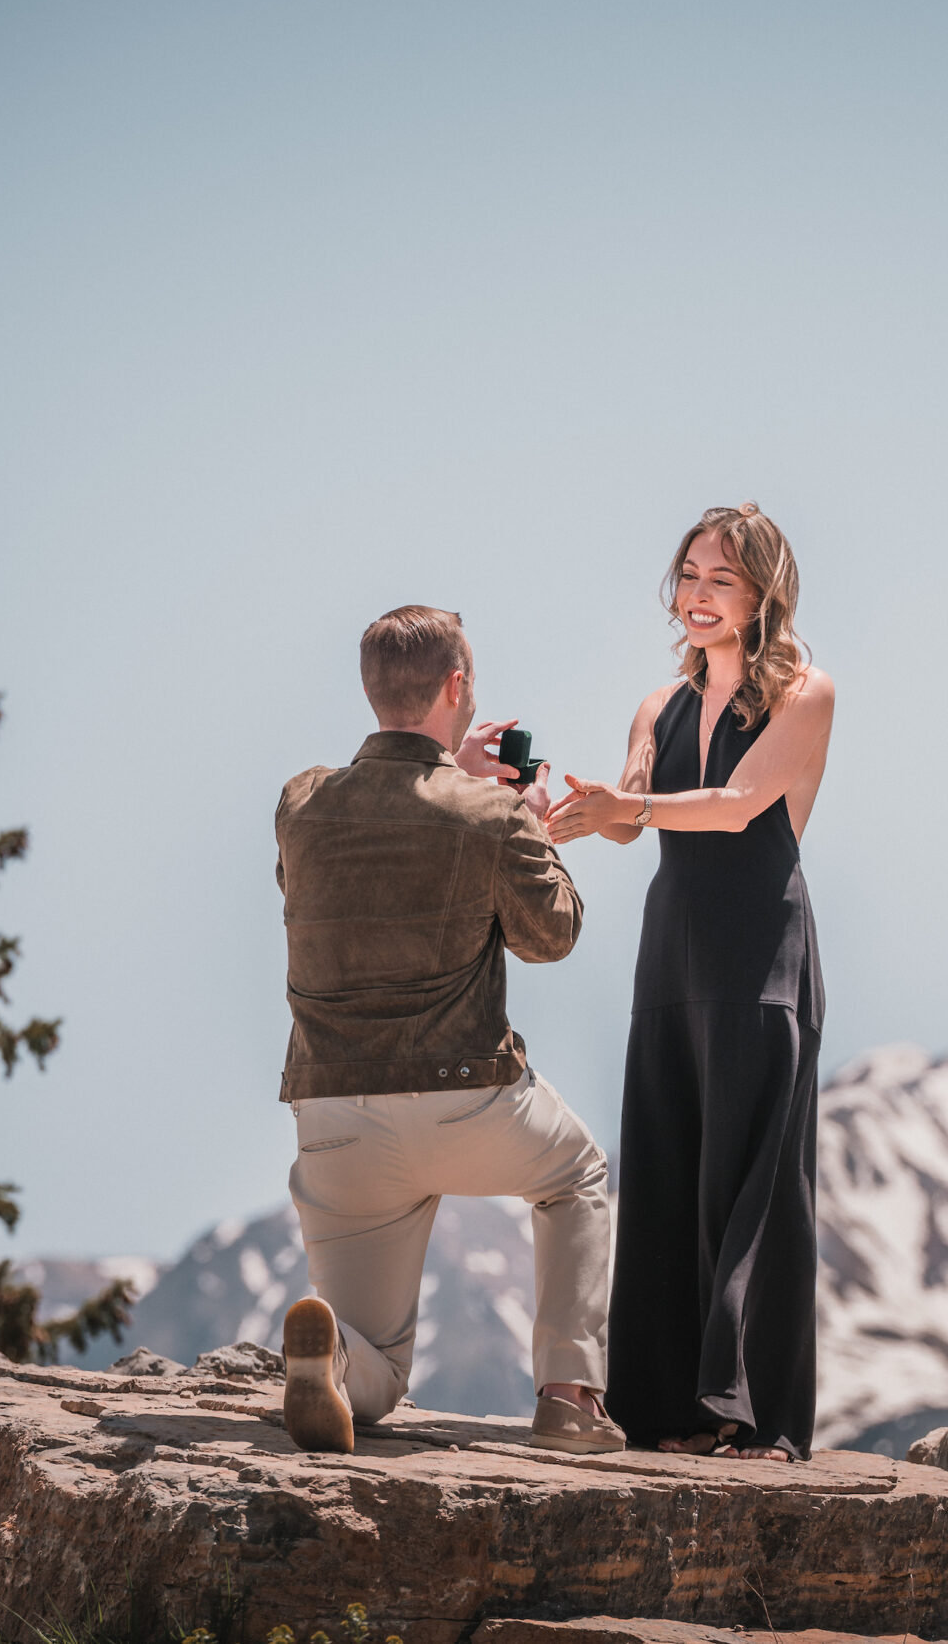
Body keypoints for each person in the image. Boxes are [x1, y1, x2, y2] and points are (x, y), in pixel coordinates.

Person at [272, 604, 623, 1457]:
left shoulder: (301, 804)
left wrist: (445, 771)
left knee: (381, 1369)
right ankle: (570, 1401)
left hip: (334, 1114)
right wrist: (528, 820)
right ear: (457, 685)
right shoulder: (490, 819)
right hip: (467, 1104)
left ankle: (337, 1363)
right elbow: (554, 935)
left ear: (371, 687)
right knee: (577, 1177)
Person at [547, 504, 835, 1461]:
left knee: (752, 1185)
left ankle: (758, 1420)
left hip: (759, 953)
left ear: (762, 596)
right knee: (669, 1167)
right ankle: (668, 1412)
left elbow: (740, 803)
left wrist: (630, 805)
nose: (699, 595)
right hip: (670, 954)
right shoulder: (657, 706)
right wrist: (583, 807)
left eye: (721, 579)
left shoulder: (807, 693)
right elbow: (636, 819)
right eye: (690, 575)